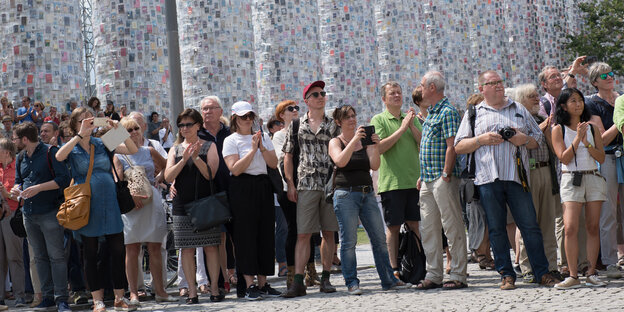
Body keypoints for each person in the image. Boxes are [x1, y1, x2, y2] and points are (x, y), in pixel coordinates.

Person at [454, 70, 560, 290]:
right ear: (482, 88)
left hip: (517, 177)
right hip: (487, 178)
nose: (498, 86)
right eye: (492, 83)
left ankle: (542, 272)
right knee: (496, 228)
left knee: (530, 226)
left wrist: (522, 139)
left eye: (500, 82)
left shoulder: (518, 108)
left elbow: (538, 140)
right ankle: (506, 274)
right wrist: (480, 140)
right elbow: (458, 146)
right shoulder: (474, 112)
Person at [55, 107, 139, 312]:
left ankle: (120, 297)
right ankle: (97, 300)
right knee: (90, 253)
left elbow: (132, 149)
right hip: (87, 205)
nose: (89, 123)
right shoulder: (72, 146)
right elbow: (59, 156)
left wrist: (119, 129)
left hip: (109, 203)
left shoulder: (102, 143)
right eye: (83, 120)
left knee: (118, 249)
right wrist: (79, 135)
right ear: (75, 124)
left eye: (91, 120)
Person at [328, 105, 410, 294]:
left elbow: (375, 164)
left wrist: (373, 145)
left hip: (367, 193)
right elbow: (340, 161)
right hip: (345, 194)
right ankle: (352, 282)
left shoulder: (365, 142)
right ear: (339, 122)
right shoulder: (336, 141)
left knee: (379, 239)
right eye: (347, 117)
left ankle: (388, 280)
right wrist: (354, 140)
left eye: (354, 115)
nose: (352, 120)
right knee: (348, 241)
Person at [281, 80, 340, 298]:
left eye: (323, 93)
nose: (321, 97)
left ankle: (325, 278)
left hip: (328, 184)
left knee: (328, 232)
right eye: (315, 94)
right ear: (307, 100)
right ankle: (298, 281)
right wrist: (290, 183)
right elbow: (287, 155)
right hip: (305, 184)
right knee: (303, 233)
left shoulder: (333, 124)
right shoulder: (297, 124)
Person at [113, 117, 176, 305]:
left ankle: (161, 291)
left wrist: (158, 179)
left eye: (136, 128)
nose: (133, 132)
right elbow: (117, 180)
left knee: (155, 247)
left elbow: (168, 167)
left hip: (151, 201)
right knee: (132, 248)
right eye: (128, 130)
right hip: (131, 205)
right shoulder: (118, 154)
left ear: (142, 130)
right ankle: (133, 292)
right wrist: (130, 197)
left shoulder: (149, 150)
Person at [10, 122, 71, 311]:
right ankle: (48, 297)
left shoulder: (50, 152)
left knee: (56, 257)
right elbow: (19, 180)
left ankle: (61, 299)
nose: (14, 142)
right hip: (29, 214)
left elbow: (63, 180)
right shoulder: (21, 157)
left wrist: (39, 188)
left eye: (16, 138)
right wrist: (16, 189)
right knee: (40, 258)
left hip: (50, 212)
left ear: (25, 139)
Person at [223, 101, 281, 300]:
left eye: (250, 116)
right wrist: (252, 150)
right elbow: (235, 169)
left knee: (265, 234)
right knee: (245, 236)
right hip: (242, 187)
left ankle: (264, 282)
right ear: (235, 119)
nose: (247, 120)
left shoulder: (263, 136)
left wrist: (262, 147)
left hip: (263, 186)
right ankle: (249, 285)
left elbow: (273, 163)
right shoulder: (231, 140)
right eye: (243, 117)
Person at [164, 108, 222, 304]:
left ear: (198, 125)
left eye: (188, 124)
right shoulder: (175, 149)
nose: (184, 128)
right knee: (186, 249)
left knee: (210, 247)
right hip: (181, 204)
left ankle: (214, 288)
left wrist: (196, 157)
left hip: (204, 202)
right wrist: (185, 159)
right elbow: (168, 176)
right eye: (181, 125)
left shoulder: (210, 146)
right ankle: (191, 291)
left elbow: (210, 175)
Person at [416, 71, 468, 290]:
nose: (419, 89)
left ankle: (457, 273)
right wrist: (422, 174)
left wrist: (446, 173)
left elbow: (451, 146)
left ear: (431, 88)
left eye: (421, 85)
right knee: (428, 228)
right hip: (428, 179)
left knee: (451, 225)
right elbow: (429, 146)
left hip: (442, 177)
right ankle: (434, 273)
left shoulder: (447, 112)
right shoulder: (432, 112)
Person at [551, 88, 607, 289]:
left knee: (593, 227)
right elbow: (563, 158)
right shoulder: (558, 129)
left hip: (592, 176)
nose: (578, 104)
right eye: (573, 101)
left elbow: (601, 157)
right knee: (571, 227)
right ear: (564, 106)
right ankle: (573, 275)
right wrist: (577, 140)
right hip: (570, 178)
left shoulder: (591, 128)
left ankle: (591, 272)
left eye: (580, 100)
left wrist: (587, 144)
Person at [508, 84, 562, 283]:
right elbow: (522, 142)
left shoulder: (542, 119)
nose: (536, 98)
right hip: (528, 174)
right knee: (527, 222)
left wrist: (549, 130)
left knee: (548, 221)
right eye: (531, 96)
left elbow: (551, 146)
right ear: (521, 100)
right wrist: (540, 130)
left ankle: (551, 266)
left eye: (536, 95)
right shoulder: (518, 121)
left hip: (546, 171)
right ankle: (526, 267)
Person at [370, 81, 422, 279]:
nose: (397, 96)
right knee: (393, 227)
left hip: (413, 180)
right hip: (392, 183)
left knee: (414, 224)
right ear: (384, 99)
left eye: (399, 92)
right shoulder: (379, 119)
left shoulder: (410, 117)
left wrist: (410, 125)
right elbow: (380, 148)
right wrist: (401, 128)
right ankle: (394, 269)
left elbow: (422, 140)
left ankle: (417, 263)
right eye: (392, 93)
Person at [584, 62, 624, 278]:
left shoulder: (621, 98)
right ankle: (609, 261)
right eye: (604, 75)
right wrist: (620, 121)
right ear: (594, 81)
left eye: (611, 73)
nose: (609, 77)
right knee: (608, 212)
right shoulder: (592, 103)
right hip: (607, 157)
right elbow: (601, 137)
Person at [0, 138, 26, 308]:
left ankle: (20, 297)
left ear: (6, 152)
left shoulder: (18, 168)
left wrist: (6, 194)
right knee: (0, 259)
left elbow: (22, 197)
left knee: (14, 258)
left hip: (11, 215)